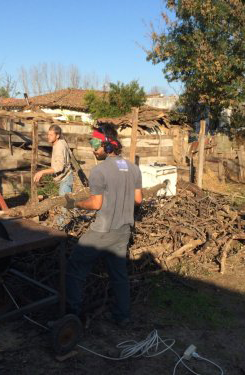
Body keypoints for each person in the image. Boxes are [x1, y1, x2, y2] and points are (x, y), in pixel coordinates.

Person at [64, 124, 142, 327]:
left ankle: (73, 316)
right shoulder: (134, 169)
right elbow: (139, 200)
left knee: (75, 266)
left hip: (101, 232)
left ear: (107, 146)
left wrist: (75, 203)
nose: (92, 148)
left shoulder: (99, 171)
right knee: (119, 275)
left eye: (95, 143)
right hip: (123, 230)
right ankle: (122, 316)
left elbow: (95, 204)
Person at [33, 124, 73, 195]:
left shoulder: (59, 147)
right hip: (66, 178)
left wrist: (42, 172)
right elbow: (70, 154)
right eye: (48, 134)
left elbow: (59, 167)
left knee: (65, 204)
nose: (48, 137)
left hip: (65, 180)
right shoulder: (61, 141)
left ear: (57, 136)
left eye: (51, 135)